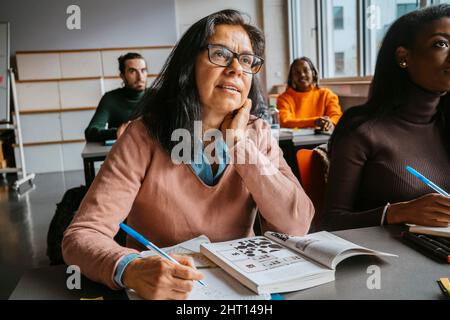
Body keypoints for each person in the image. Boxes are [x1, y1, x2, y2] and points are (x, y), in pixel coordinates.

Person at [62, 9, 314, 300]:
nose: (236, 69)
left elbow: (296, 223)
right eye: (220, 54)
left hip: (243, 291)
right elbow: (80, 236)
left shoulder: (257, 133)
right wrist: (131, 268)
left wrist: (239, 145)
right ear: (188, 65)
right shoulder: (142, 135)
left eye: (246, 60)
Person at [322, 5, 450, 231]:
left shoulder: (445, 124)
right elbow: (332, 222)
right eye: (441, 44)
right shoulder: (362, 130)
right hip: (390, 262)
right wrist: (397, 212)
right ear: (404, 57)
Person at [84, 52, 148, 142]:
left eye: (143, 70)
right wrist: (118, 132)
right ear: (122, 76)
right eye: (132, 71)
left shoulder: (157, 95)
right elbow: (90, 132)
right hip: (124, 152)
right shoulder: (110, 98)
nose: (140, 77)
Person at [276, 57, 342, 132]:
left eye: (305, 70)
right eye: (297, 72)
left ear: (313, 73)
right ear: (292, 77)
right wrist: (315, 122)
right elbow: (285, 121)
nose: (302, 75)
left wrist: (330, 123)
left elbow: (336, 116)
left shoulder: (327, 94)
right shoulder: (283, 98)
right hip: (295, 140)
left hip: (324, 139)